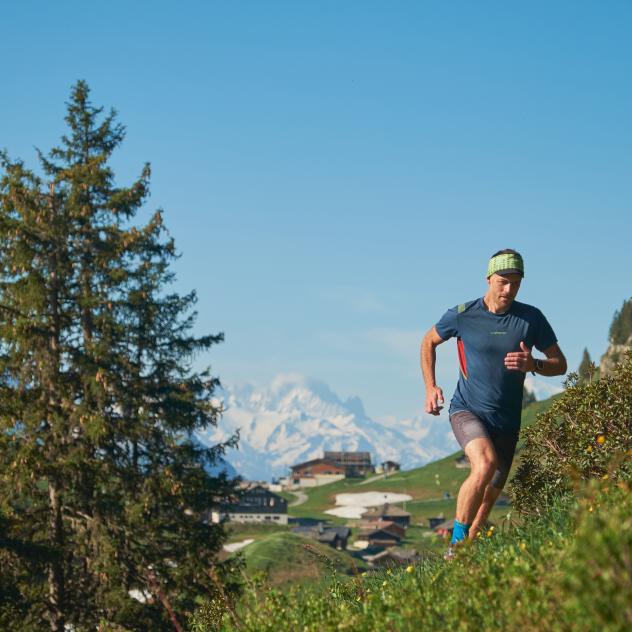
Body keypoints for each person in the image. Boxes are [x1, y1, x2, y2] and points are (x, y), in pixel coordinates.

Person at [420, 249, 567, 556]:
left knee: (487, 501)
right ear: (488, 279)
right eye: (503, 282)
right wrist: (430, 386)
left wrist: (534, 364)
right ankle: (456, 544)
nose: (509, 289)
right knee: (484, 464)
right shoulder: (463, 313)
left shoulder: (531, 318)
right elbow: (428, 341)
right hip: (467, 410)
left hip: (507, 422)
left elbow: (560, 364)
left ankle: (462, 559)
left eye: (516, 283)